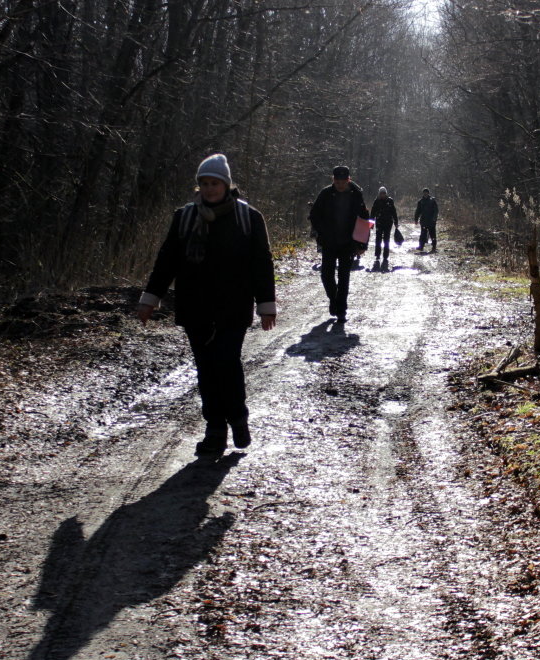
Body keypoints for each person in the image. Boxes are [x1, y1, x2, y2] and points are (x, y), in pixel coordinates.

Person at [136, 153, 277, 458]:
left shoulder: (248, 218)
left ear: (227, 185)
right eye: (204, 183)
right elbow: (167, 261)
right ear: (198, 186)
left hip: (233, 307)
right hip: (195, 307)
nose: (210, 189)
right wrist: (150, 299)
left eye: (215, 183)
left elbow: (261, 264)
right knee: (206, 369)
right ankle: (215, 429)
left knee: (226, 363)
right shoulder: (185, 217)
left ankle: (238, 419)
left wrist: (266, 305)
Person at [309, 165, 369, 322]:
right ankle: (334, 299)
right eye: (337, 182)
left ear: (348, 180)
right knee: (326, 275)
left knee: (344, 276)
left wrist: (362, 244)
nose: (340, 185)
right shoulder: (325, 194)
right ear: (333, 180)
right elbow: (314, 215)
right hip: (328, 242)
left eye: (343, 182)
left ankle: (341, 309)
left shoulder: (356, 195)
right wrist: (321, 232)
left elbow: (364, 219)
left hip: (347, 243)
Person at [369, 186, 399, 267]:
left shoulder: (390, 201)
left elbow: (394, 212)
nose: (382, 195)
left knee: (386, 239)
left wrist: (396, 222)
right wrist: (371, 224)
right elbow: (372, 213)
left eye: (384, 193)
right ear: (379, 194)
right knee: (378, 239)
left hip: (388, 223)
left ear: (386, 194)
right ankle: (377, 255)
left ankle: (385, 256)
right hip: (379, 223)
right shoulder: (376, 201)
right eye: (381, 193)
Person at [414, 187, 439, 252]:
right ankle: (421, 246)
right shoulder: (420, 201)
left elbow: (436, 210)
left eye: (426, 192)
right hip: (424, 221)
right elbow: (418, 211)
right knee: (423, 234)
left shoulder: (432, 201)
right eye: (424, 192)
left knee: (432, 234)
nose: (425, 194)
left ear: (428, 193)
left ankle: (434, 247)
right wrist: (416, 219)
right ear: (423, 193)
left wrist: (434, 218)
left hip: (431, 221)